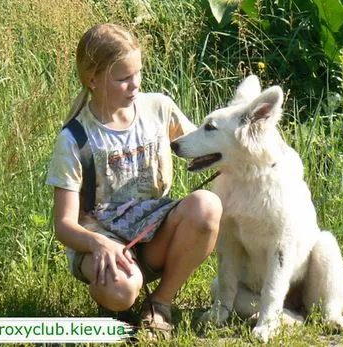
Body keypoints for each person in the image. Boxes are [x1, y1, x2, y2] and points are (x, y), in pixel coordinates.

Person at [46, 23, 222, 338]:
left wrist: (245, 145)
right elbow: (64, 225)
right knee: (121, 292)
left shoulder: (158, 109)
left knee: (207, 206)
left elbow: (203, 147)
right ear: (93, 79)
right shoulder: (75, 139)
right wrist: (98, 244)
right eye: (123, 78)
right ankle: (117, 299)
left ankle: (159, 305)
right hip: (102, 244)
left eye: (138, 72)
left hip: (156, 234)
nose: (135, 84)